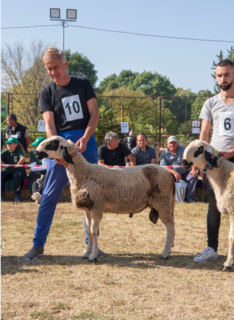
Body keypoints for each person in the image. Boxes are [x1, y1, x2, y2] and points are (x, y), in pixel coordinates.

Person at [24, 47, 102, 261]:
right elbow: (49, 125)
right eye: (49, 69)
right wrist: (57, 151)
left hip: (87, 144)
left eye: (56, 67)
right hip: (59, 145)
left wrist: (85, 138)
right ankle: (38, 244)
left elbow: (94, 113)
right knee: (49, 195)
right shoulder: (47, 93)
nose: (53, 72)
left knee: (91, 197)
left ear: (65, 64)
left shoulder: (83, 83)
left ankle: (92, 244)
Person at [194, 60, 234, 263]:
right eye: (219, 75)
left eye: (226, 75)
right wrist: (202, 159)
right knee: (213, 204)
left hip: (233, 156)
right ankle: (212, 248)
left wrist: (232, 152)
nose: (223, 79)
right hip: (216, 160)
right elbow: (204, 133)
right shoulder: (210, 103)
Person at [160, 136, 198, 203]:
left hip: (185, 173)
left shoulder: (183, 149)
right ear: (167, 144)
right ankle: (168, 198)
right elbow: (163, 166)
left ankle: (189, 198)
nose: (172, 145)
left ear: (177, 143)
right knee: (164, 179)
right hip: (171, 175)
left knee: (193, 176)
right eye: (170, 143)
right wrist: (174, 172)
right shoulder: (164, 152)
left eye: (174, 143)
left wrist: (194, 169)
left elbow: (192, 159)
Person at [1, 137, 26, 203]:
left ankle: (17, 196)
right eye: (7, 143)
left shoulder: (18, 151)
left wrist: (17, 164)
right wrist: (3, 164)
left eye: (10, 144)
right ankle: (0, 196)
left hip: (16, 171)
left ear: (15, 144)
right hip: (6, 171)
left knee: (17, 176)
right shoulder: (6, 151)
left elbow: (23, 158)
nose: (8, 145)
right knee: (1, 175)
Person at [29, 136, 48, 204]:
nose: (35, 147)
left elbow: (49, 167)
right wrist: (45, 167)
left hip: (47, 172)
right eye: (35, 145)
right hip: (36, 172)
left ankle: (38, 194)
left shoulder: (49, 152)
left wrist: (43, 155)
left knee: (48, 176)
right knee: (34, 178)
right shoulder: (33, 152)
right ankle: (36, 196)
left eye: (37, 145)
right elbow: (33, 168)